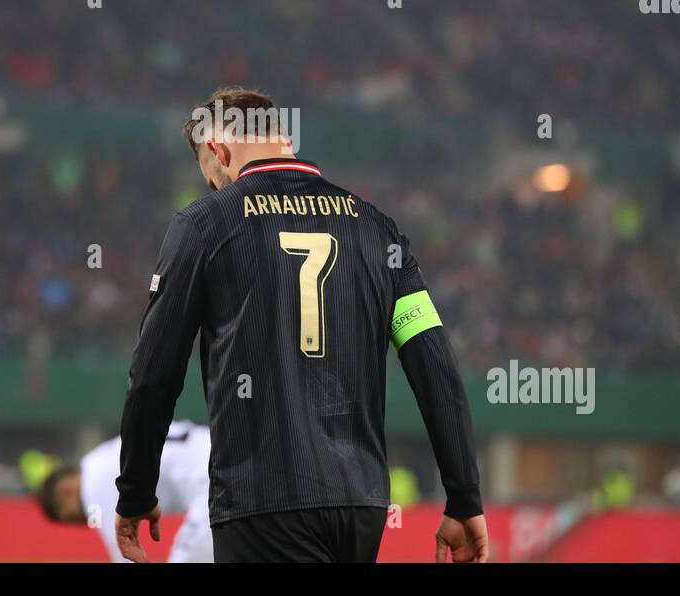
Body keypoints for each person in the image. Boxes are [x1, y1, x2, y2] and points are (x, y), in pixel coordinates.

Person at [115, 86, 487, 563]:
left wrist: (136, 490)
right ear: (282, 138)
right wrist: (464, 496)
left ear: (218, 150)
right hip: (361, 505)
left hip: (261, 503)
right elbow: (434, 365)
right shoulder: (377, 228)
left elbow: (153, 374)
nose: (215, 189)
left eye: (212, 179)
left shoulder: (204, 224)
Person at [38, 420, 212, 563]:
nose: (80, 522)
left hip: (209, 483)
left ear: (66, 490)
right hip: (218, 450)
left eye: (70, 517)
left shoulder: (92, 490)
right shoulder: (96, 460)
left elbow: (125, 556)